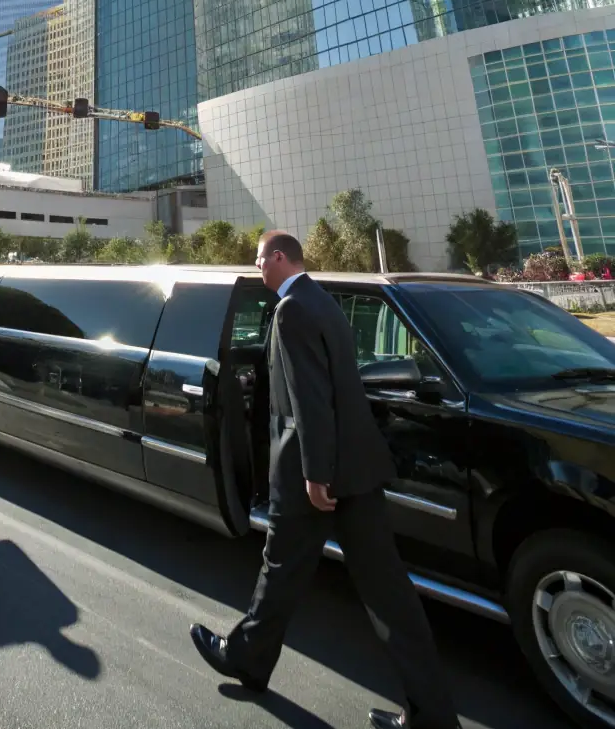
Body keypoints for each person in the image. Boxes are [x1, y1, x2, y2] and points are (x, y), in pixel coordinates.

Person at [189, 230, 460, 729]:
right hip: (357, 469)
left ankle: (245, 657)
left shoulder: (292, 310)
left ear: (277, 258)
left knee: (281, 568)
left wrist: (316, 474)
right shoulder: (324, 302)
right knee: (387, 594)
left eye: (258, 261)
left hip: (314, 475)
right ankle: (433, 715)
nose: (256, 270)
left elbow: (310, 399)